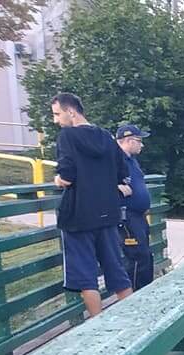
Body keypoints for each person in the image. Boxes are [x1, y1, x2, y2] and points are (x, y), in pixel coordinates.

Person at [50, 92, 132, 317]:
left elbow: (66, 176)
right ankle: (135, 323)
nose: (56, 120)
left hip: (78, 217)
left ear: (71, 112)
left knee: (87, 278)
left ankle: (99, 327)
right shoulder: (106, 137)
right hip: (107, 213)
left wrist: (57, 180)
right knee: (117, 273)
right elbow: (122, 172)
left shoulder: (67, 137)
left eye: (57, 114)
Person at [114, 123, 154, 291]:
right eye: (139, 140)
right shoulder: (114, 159)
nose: (142, 144)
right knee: (137, 258)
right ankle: (136, 300)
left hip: (138, 216)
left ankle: (146, 294)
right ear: (129, 141)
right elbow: (95, 180)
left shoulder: (132, 160)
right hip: (127, 217)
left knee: (145, 256)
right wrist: (114, 187)